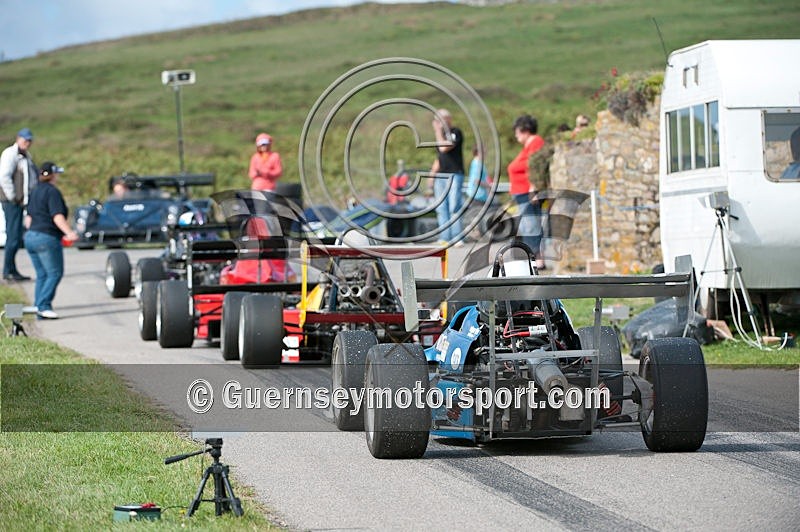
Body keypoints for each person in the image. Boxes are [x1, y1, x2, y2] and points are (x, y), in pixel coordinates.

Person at [23, 162, 78, 319]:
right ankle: (43, 306)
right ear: (52, 175)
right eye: (57, 173)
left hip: (30, 236)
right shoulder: (52, 192)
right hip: (46, 238)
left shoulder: (35, 191)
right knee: (54, 273)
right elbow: (57, 216)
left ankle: (38, 308)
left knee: (42, 274)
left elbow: (29, 218)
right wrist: (70, 233)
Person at [0, 128, 38, 281]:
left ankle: (12, 269)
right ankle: (8, 270)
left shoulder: (26, 156)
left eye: (29, 140)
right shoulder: (10, 154)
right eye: (25, 140)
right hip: (12, 202)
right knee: (13, 237)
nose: (27, 143)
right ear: (18, 139)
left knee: (16, 236)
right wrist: (13, 197)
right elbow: (4, 177)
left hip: (20, 201)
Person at [507, 114, 546, 264]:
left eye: (517, 130)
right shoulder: (528, 145)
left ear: (525, 129)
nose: (516, 134)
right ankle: (535, 258)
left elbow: (536, 167)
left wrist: (534, 188)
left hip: (527, 192)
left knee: (531, 226)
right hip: (521, 192)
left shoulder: (536, 142)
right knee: (527, 226)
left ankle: (537, 259)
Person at [429, 109, 464, 244]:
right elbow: (439, 157)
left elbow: (444, 148)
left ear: (448, 119)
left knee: (454, 207)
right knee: (441, 208)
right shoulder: (440, 136)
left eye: (440, 120)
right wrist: (432, 175)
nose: (438, 123)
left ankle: (457, 237)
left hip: (454, 174)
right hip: (441, 176)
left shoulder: (455, 133)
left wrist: (437, 131)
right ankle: (445, 237)